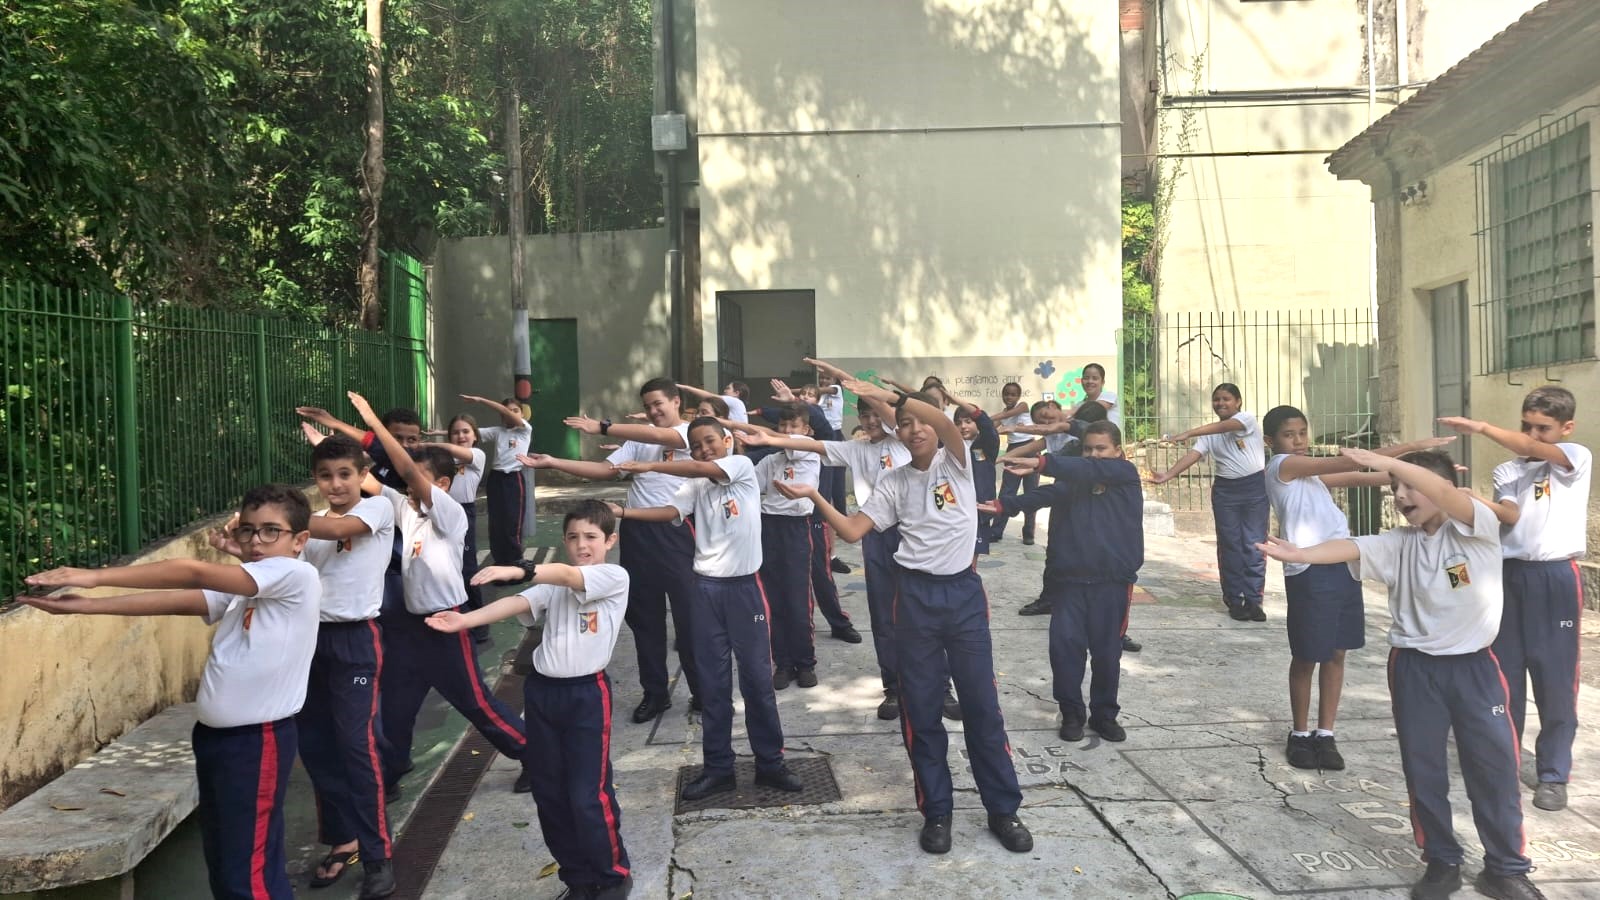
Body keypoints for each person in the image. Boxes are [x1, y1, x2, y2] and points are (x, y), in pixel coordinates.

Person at [1259, 448, 1544, 900]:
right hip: (1414, 668)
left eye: (1411, 486)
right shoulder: (1399, 543)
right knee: (1423, 768)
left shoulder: (1476, 530)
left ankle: (1506, 867)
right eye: (1395, 488)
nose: (1401, 494)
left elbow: (1446, 491)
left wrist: (1388, 463)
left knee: (1494, 767)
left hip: (1475, 668)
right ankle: (1441, 861)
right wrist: (1302, 552)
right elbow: (1352, 547)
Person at [23, 485, 327, 900]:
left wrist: (95, 578)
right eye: (249, 531)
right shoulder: (252, 587)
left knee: (245, 874)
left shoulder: (296, 575)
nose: (256, 542)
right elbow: (182, 599)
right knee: (230, 860)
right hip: (220, 740)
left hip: (257, 743)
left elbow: (193, 571)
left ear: (300, 541)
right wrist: (87, 607)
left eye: (271, 531)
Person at [776, 369, 1032, 856]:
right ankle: (937, 811)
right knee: (921, 710)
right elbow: (853, 531)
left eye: (921, 421)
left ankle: (1003, 808)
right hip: (913, 599)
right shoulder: (893, 483)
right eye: (906, 423)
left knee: (981, 706)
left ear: (935, 427)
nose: (915, 429)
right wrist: (813, 497)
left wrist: (888, 394)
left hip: (963, 598)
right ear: (896, 430)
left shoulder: (954, 463)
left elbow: (938, 416)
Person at [427, 501, 633, 900]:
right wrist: (465, 620)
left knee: (588, 794)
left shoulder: (613, 576)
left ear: (610, 540)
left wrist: (520, 567)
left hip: (587, 696)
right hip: (542, 694)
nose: (581, 544)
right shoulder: (553, 584)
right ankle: (577, 879)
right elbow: (520, 602)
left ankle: (612, 875)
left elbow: (566, 573)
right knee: (550, 793)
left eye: (591, 536)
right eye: (572, 537)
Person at [342, 391, 532, 793]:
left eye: (420, 477)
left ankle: (532, 752)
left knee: (476, 704)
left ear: (442, 483)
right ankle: (390, 773)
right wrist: (329, 437)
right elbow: (366, 479)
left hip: (447, 624)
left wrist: (375, 421)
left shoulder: (447, 511)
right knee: (395, 707)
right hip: (409, 628)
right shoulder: (407, 510)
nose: (411, 482)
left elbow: (405, 470)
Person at [611, 416, 805, 801]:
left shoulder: (740, 467)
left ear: (728, 439)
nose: (703, 450)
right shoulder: (697, 483)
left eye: (709, 441)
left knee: (756, 682)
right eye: (696, 445)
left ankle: (770, 763)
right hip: (705, 591)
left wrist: (650, 464)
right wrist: (622, 514)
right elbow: (670, 512)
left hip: (745, 590)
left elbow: (706, 467)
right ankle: (719, 768)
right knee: (714, 686)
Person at [1262, 405, 1451, 771]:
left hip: (1344, 565)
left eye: (1303, 432)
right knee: (1306, 655)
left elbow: (1364, 477)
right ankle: (1300, 733)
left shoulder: (1310, 478)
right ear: (1272, 441)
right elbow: (1344, 464)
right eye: (1290, 434)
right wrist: (1410, 449)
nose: (1299, 440)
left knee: (1337, 652)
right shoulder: (1283, 467)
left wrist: (1430, 480)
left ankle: (1325, 732)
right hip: (1308, 569)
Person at [1439, 385, 1590, 812]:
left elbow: (1532, 447)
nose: (1533, 436)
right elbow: (1509, 515)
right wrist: (1472, 500)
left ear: (1566, 428)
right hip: (1509, 576)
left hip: (1555, 577)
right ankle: (1502, 762)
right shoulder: (1510, 470)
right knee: (1504, 675)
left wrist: (1481, 427)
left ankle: (1553, 774)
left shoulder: (1575, 459)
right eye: (1527, 426)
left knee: (1556, 679)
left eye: (1543, 428)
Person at [740, 359, 912, 720]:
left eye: (875, 414)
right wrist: (767, 436)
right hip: (874, 534)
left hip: (913, 534)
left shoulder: (903, 442)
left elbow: (887, 416)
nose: (869, 421)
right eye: (862, 416)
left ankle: (937, 686)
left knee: (921, 613)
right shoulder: (855, 449)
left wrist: (847, 380)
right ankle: (893, 688)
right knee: (883, 618)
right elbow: (815, 443)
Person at [530, 378, 703, 723]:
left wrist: (603, 427)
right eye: (649, 406)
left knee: (690, 619)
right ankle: (655, 693)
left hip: (678, 532)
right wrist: (554, 462)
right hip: (638, 534)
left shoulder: (689, 433)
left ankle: (703, 691)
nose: (654, 412)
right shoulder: (638, 441)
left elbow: (659, 436)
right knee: (644, 619)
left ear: (676, 401)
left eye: (659, 404)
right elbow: (605, 471)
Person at [983, 421, 1143, 744]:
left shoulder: (1126, 476)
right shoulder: (1075, 481)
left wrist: (1041, 461)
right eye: (1088, 449)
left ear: (1118, 453)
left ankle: (1104, 715)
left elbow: (1084, 468)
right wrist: (1004, 505)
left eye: (1101, 449)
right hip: (1069, 582)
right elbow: (1044, 495)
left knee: (1107, 654)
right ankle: (1071, 712)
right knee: (1064, 649)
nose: (1093, 456)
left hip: (1112, 583)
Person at [292, 436, 396, 895]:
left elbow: (336, 531)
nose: (335, 484)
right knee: (314, 746)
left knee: (357, 746)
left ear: (361, 474)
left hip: (356, 639)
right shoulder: (306, 529)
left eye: (344, 474)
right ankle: (342, 838)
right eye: (325, 476)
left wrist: (279, 521)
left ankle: (379, 857)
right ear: (315, 479)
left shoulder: (376, 510)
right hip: (308, 640)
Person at [1151, 383, 1270, 621]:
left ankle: (1254, 600)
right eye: (1216, 399)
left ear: (1238, 401)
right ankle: (1235, 601)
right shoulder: (1210, 434)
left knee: (1254, 545)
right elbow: (1193, 456)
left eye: (1226, 399)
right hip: (1226, 491)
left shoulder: (1246, 420)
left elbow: (1228, 426)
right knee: (1230, 545)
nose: (1220, 404)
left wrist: (1189, 433)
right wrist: (1168, 475)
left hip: (1255, 489)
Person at [749, 408, 826, 689]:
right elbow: (749, 485)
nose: (787, 429)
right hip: (768, 527)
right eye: (782, 424)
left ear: (807, 431)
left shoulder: (810, 455)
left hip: (796, 528)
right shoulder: (771, 460)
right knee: (773, 599)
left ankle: (805, 663)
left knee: (797, 599)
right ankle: (782, 663)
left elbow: (793, 448)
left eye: (794, 425)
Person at [438, 413, 491, 642]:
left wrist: (435, 444)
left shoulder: (477, 456)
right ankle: (456, 617)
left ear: (475, 436)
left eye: (465, 431)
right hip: (441, 510)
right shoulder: (442, 458)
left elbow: (463, 454)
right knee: (445, 567)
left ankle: (479, 624)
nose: (461, 436)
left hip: (464, 512)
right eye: (456, 432)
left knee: (467, 569)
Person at [468, 395, 534, 566]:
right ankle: (500, 563)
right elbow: (468, 434)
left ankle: (515, 562)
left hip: (513, 479)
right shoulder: (498, 431)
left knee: (512, 522)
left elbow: (507, 412)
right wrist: (439, 433)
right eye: (507, 411)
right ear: (501, 416)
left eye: (516, 411)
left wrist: (481, 400)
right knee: (496, 523)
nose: (511, 414)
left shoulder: (525, 429)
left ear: (522, 414)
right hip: (496, 479)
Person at [989, 381, 1036, 544]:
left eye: (1013, 394)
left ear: (1019, 396)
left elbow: (1005, 416)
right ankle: (996, 531)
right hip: (1013, 450)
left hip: (1030, 448)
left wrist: (988, 417)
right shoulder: (1003, 413)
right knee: (1007, 492)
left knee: (1031, 492)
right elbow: (990, 428)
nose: (1009, 397)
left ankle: (1029, 532)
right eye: (1006, 394)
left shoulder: (1023, 406)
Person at [952, 398, 1000, 557]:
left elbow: (987, 425)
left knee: (973, 553)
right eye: (958, 423)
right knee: (955, 551)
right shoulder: (949, 447)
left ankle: (971, 578)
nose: (963, 426)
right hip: (956, 507)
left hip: (979, 508)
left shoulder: (986, 445)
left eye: (968, 421)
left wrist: (956, 400)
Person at [1080, 362, 1121, 428]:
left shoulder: (1110, 396)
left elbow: (1093, 409)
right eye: (1086, 378)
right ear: (1081, 381)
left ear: (1102, 382)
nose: (1090, 381)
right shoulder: (1079, 405)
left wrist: (1070, 413)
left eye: (1095, 378)